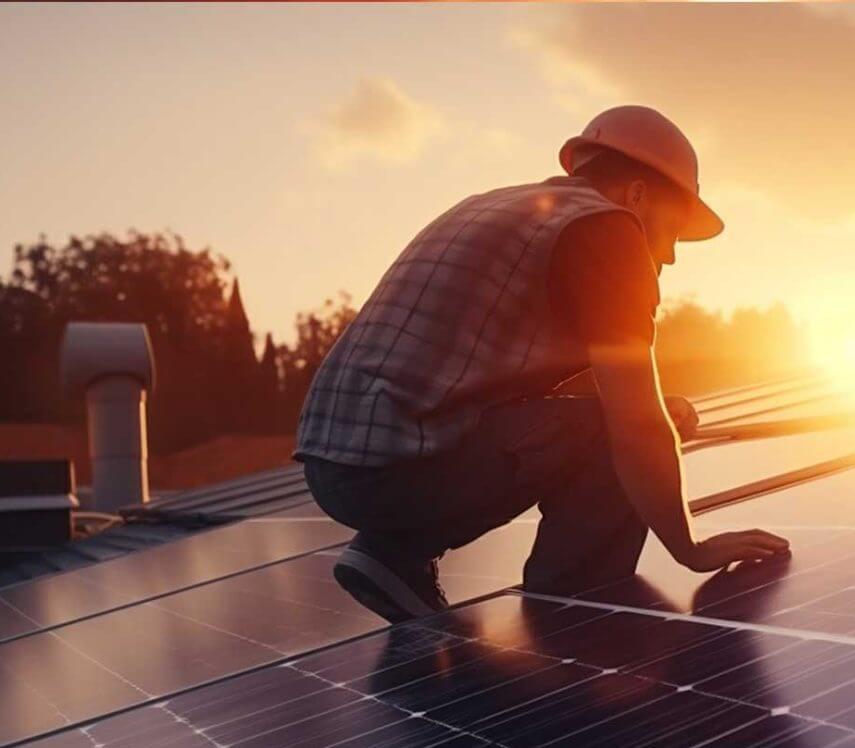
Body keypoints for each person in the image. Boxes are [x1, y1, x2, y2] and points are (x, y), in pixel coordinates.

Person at [293, 105, 790, 623]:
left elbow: (500, 384)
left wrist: (654, 408)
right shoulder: (609, 230)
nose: (668, 256)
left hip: (339, 466)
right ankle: (575, 617)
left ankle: (394, 554)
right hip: (396, 470)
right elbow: (635, 425)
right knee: (617, 433)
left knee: (621, 419)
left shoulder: (504, 207)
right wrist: (690, 548)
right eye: (671, 230)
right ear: (638, 196)